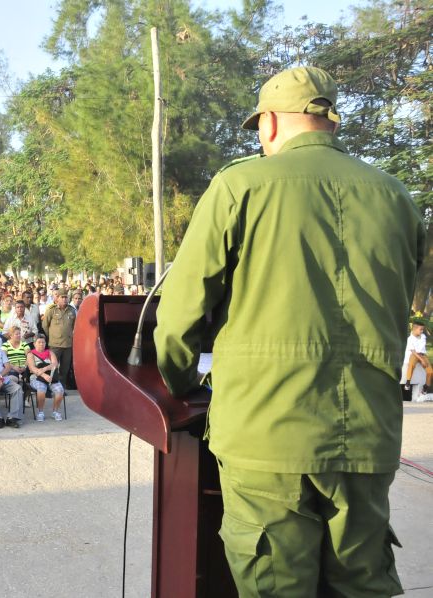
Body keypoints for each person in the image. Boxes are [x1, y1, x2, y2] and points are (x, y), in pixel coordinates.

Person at [154, 67, 424, 597]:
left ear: (271, 124)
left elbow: (181, 313)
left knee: (275, 586)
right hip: (367, 437)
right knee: (364, 584)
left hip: (267, 435)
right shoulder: (396, 196)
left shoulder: (240, 185)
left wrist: (178, 381)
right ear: (328, 121)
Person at [41, 289, 75, 388]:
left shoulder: (71, 310)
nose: (64, 299)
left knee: (65, 368)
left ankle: (62, 387)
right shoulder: (51, 310)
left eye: (66, 297)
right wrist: (51, 336)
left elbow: (74, 326)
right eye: (62, 297)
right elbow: (45, 326)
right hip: (55, 344)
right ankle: (52, 386)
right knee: (53, 367)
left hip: (68, 344)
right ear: (57, 298)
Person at [27, 334, 65, 422]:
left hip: (51, 377)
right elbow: (32, 368)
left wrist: (44, 369)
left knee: (60, 389)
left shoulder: (50, 352)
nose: (41, 344)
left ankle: (55, 411)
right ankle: (40, 412)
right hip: (36, 377)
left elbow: (55, 364)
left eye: (43, 342)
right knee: (41, 388)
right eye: (39, 342)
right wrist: (44, 375)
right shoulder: (31, 354)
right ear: (34, 343)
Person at [400, 319, 433, 401]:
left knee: (430, 371)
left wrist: (423, 359)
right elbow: (413, 351)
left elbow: (422, 349)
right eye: (420, 329)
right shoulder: (410, 339)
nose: (422, 331)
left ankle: (425, 387)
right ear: (414, 329)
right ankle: (408, 382)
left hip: (422, 355)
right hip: (414, 354)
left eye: (423, 329)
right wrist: (421, 360)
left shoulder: (423, 337)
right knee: (411, 364)